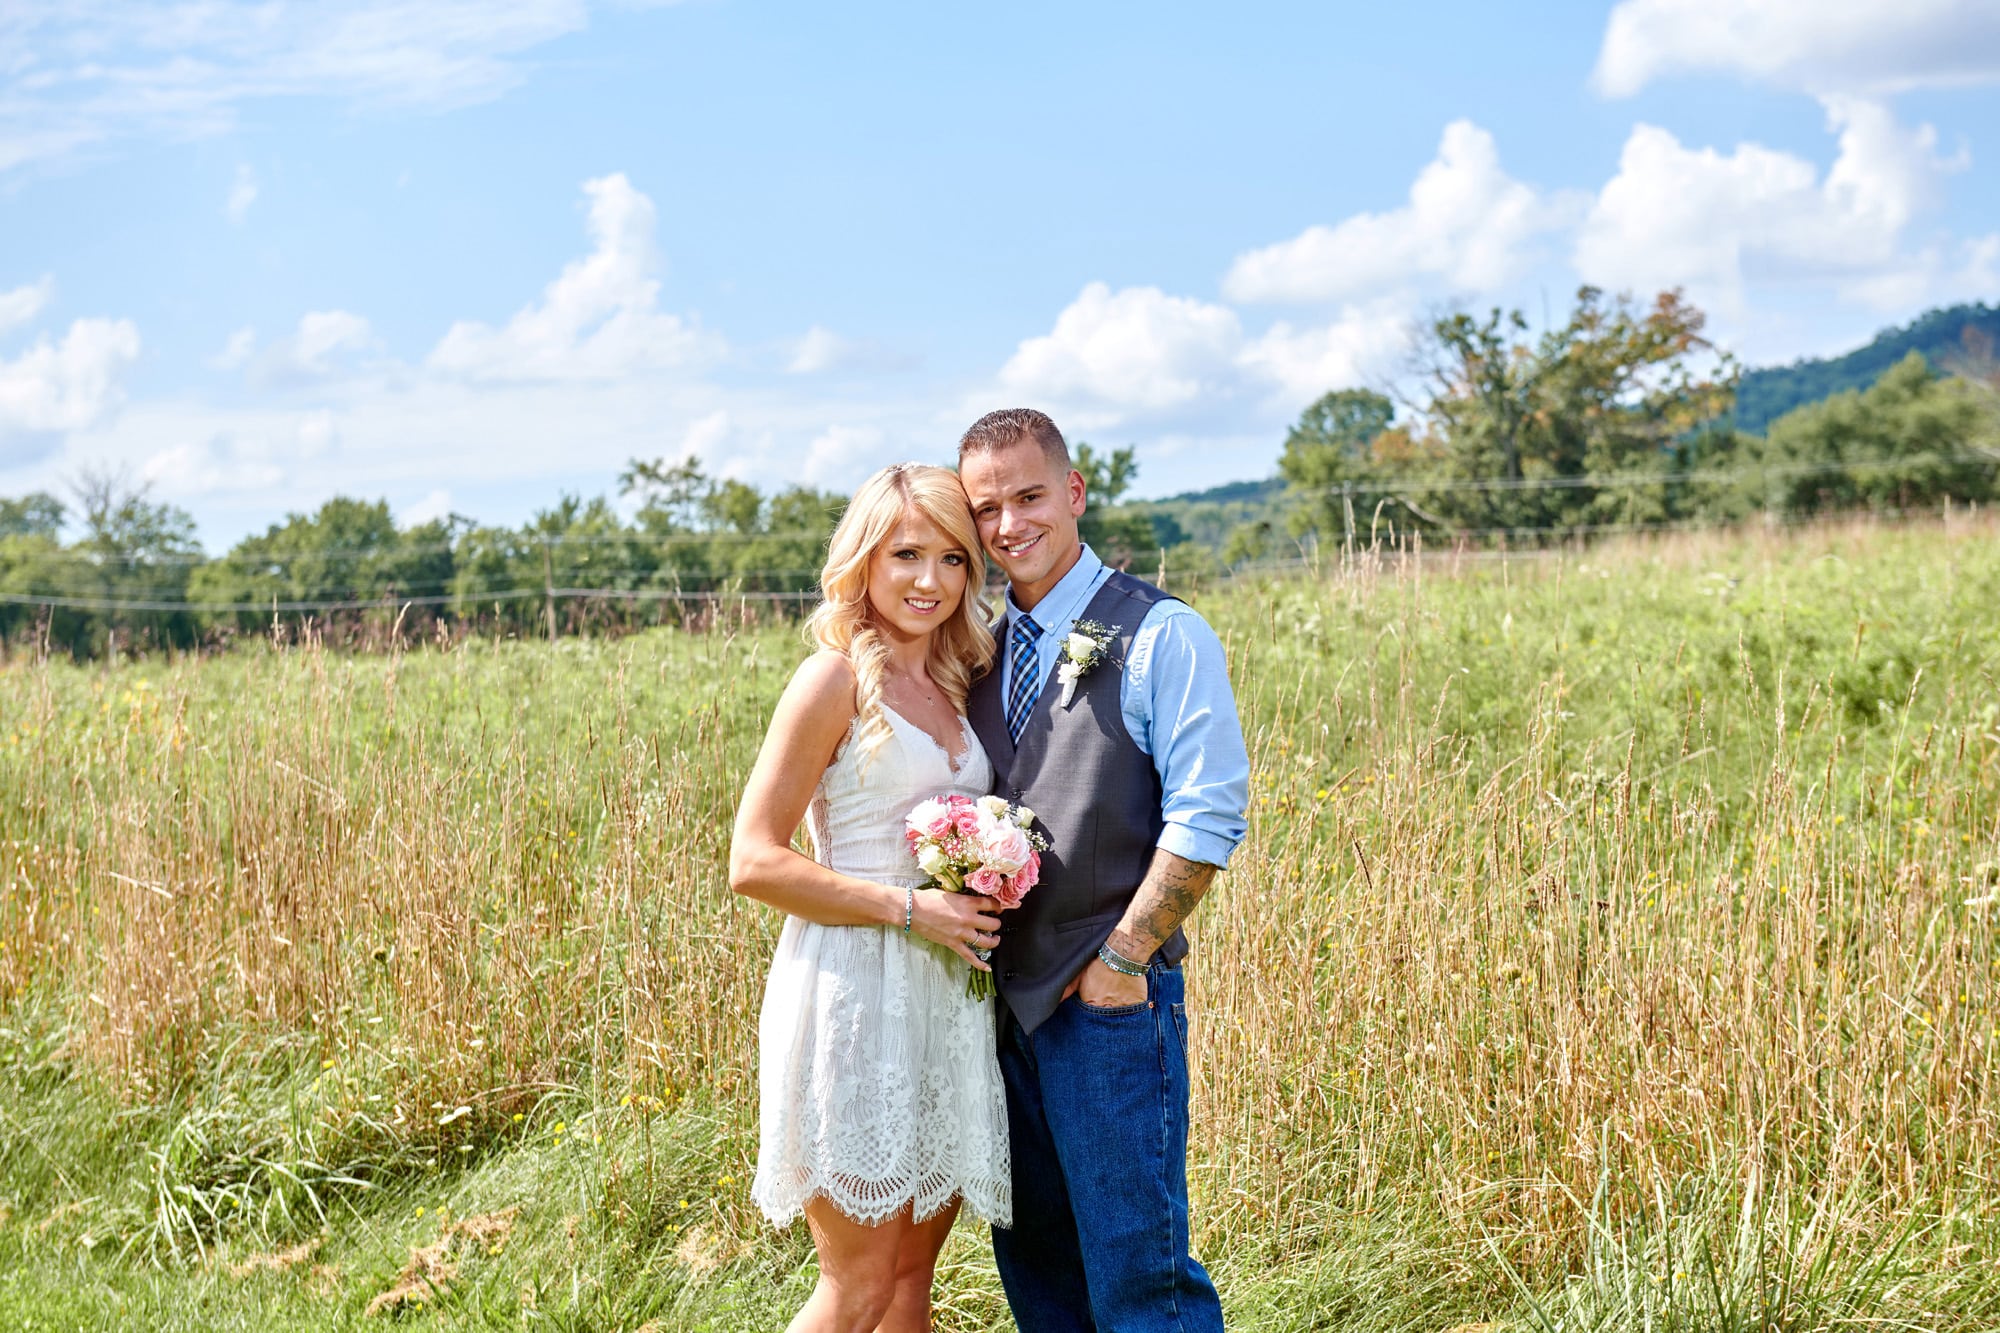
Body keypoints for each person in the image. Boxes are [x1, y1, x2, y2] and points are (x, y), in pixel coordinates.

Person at [957, 408, 1250, 1331]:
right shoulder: (973, 651)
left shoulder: (1163, 632)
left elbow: (1209, 812)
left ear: (1074, 493)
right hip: (999, 1017)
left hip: (1108, 1009)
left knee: (1141, 1284)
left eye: (1031, 496)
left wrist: (1123, 962)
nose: (1011, 525)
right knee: (1040, 1281)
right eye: (987, 508)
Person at [729, 462, 1011, 1333]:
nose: (930, 580)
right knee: (855, 1286)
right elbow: (753, 860)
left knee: (909, 1285)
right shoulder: (831, 680)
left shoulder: (961, 682)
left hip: (944, 1000)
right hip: (854, 993)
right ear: (864, 561)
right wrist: (907, 908)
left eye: (953, 559)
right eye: (907, 555)